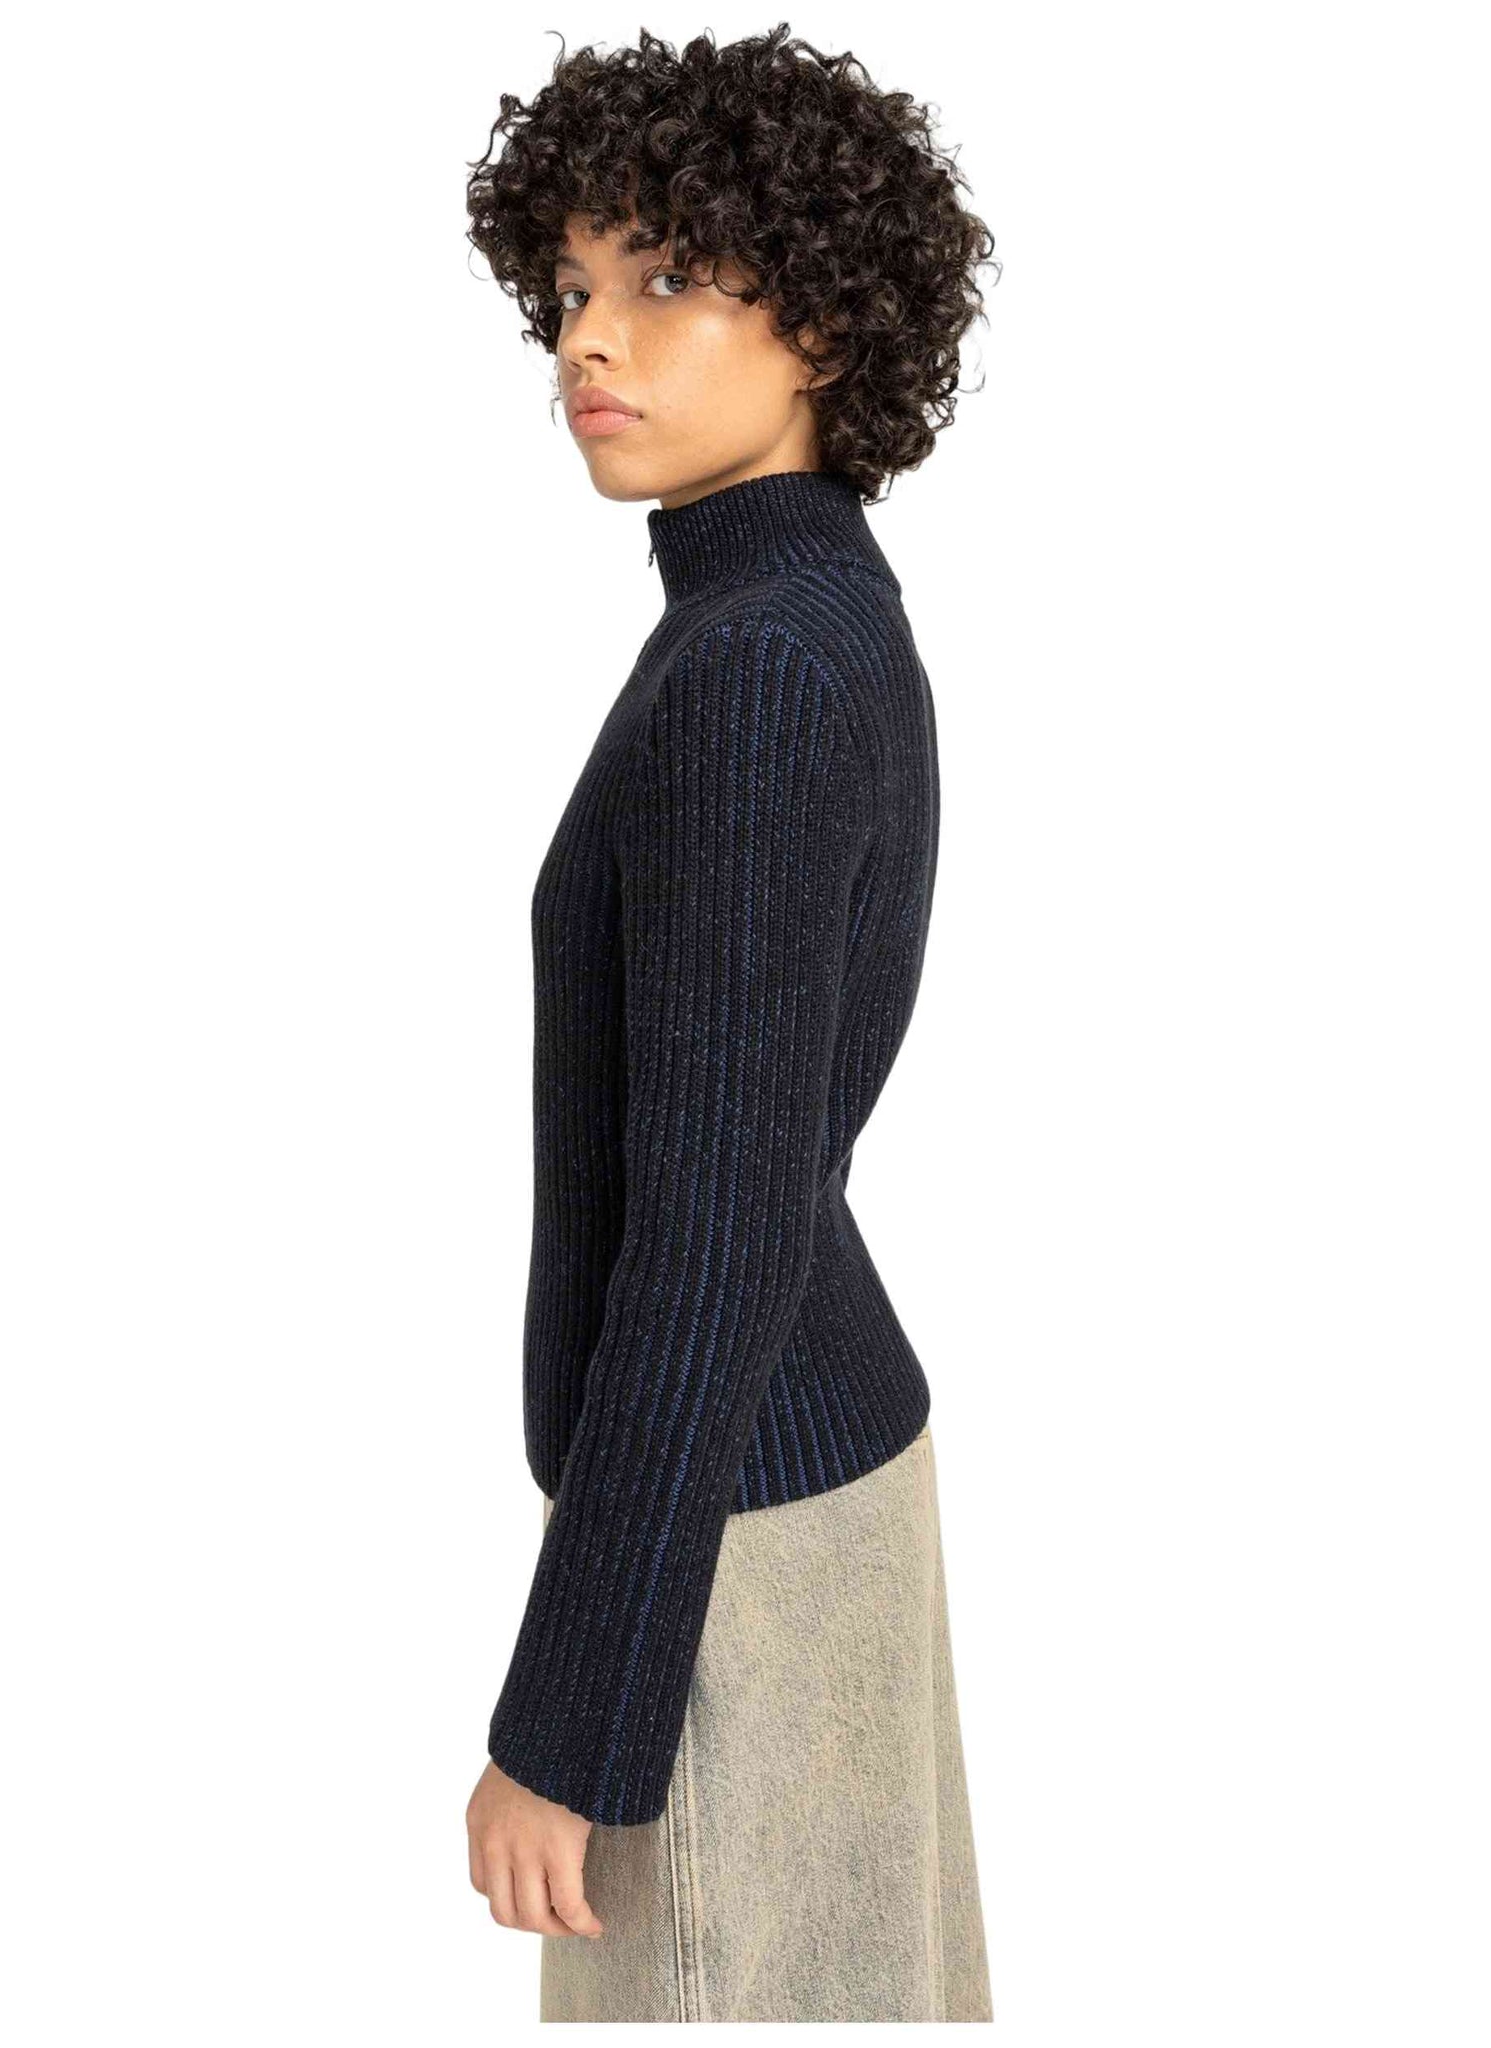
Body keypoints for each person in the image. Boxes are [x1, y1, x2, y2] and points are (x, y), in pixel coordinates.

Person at [461, 25, 998, 2022]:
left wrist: (572, 1725)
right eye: (573, 286)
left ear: (827, 320)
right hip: (782, 1484)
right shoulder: (789, 617)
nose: (592, 338)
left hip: (732, 1544)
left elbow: (712, 1233)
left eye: (670, 275)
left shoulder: (758, 671)